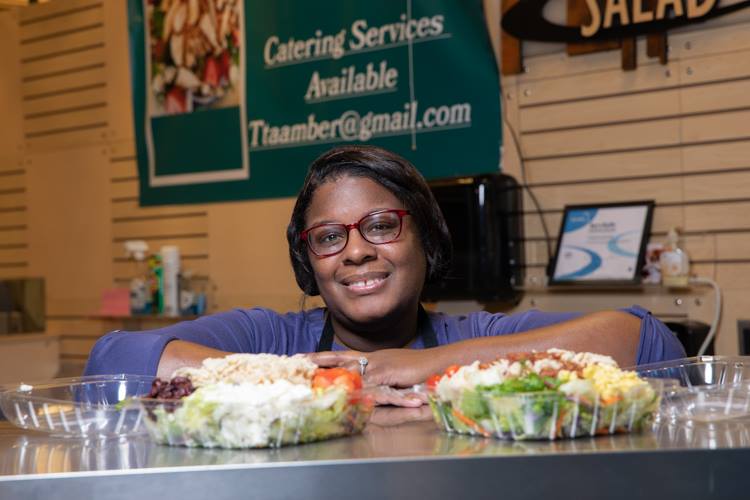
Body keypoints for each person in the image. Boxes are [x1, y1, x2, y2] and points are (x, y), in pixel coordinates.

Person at [84, 145, 685, 405]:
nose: (354, 253)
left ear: (427, 239)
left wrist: (418, 366)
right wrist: (321, 380)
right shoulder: (270, 339)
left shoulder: (473, 337)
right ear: (308, 261)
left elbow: (648, 341)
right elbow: (111, 361)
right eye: (327, 237)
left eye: (380, 225)